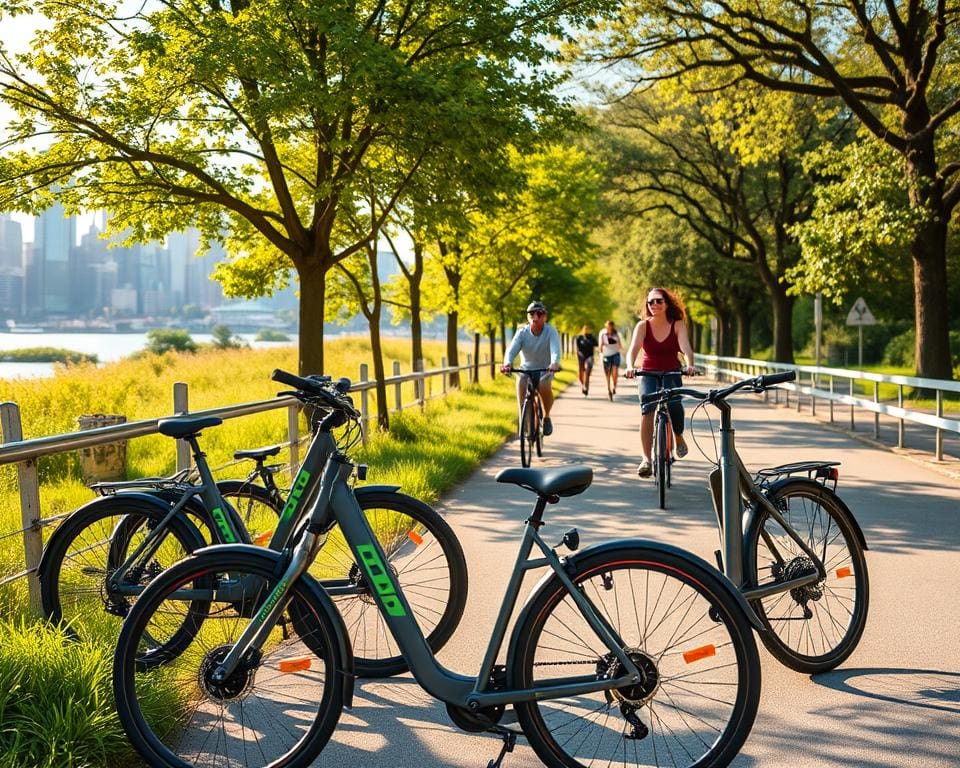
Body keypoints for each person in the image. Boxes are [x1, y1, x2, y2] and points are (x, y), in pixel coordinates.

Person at [625, 288, 697, 478]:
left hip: (672, 370)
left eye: (658, 301)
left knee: (674, 404)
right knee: (647, 408)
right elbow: (632, 350)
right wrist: (630, 366)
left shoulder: (678, 324)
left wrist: (690, 365)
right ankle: (646, 459)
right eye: (651, 302)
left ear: (667, 303)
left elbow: (686, 348)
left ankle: (678, 436)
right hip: (647, 372)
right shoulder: (642, 326)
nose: (654, 305)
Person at [500, 300, 561, 436]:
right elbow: (511, 350)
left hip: (546, 369)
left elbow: (555, 351)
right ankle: (524, 418)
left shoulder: (551, 331)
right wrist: (507, 363)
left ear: (545, 316)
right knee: (521, 383)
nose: (535, 317)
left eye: (539, 314)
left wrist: (554, 363)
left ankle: (546, 417)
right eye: (531, 314)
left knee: (544, 385)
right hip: (526, 370)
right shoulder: (522, 332)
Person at [598, 320, 624, 399]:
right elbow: (600, 345)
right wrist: (601, 353)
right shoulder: (603, 334)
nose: (609, 327)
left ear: (612, 326)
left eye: (610, 326)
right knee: (608, 374)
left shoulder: (616, 334)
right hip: (606, 355)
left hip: (615, 354)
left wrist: (621, 349)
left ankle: (614, 387)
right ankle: (609, 389)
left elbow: (620, 345)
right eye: (608, 326)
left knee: (615, 372)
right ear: (606, 326)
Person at [574, 325, 598, 396]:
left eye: (588, 329)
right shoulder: (579, 338)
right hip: (581, 357)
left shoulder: (591, 337)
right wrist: (578, 355)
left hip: (589, 356)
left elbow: (596, 345)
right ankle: (583, 384)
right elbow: (577, 349)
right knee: (581, 372)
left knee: (587, 373)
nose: (586, 330)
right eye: (585, 329)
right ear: (582, 330)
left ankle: (585, 387)